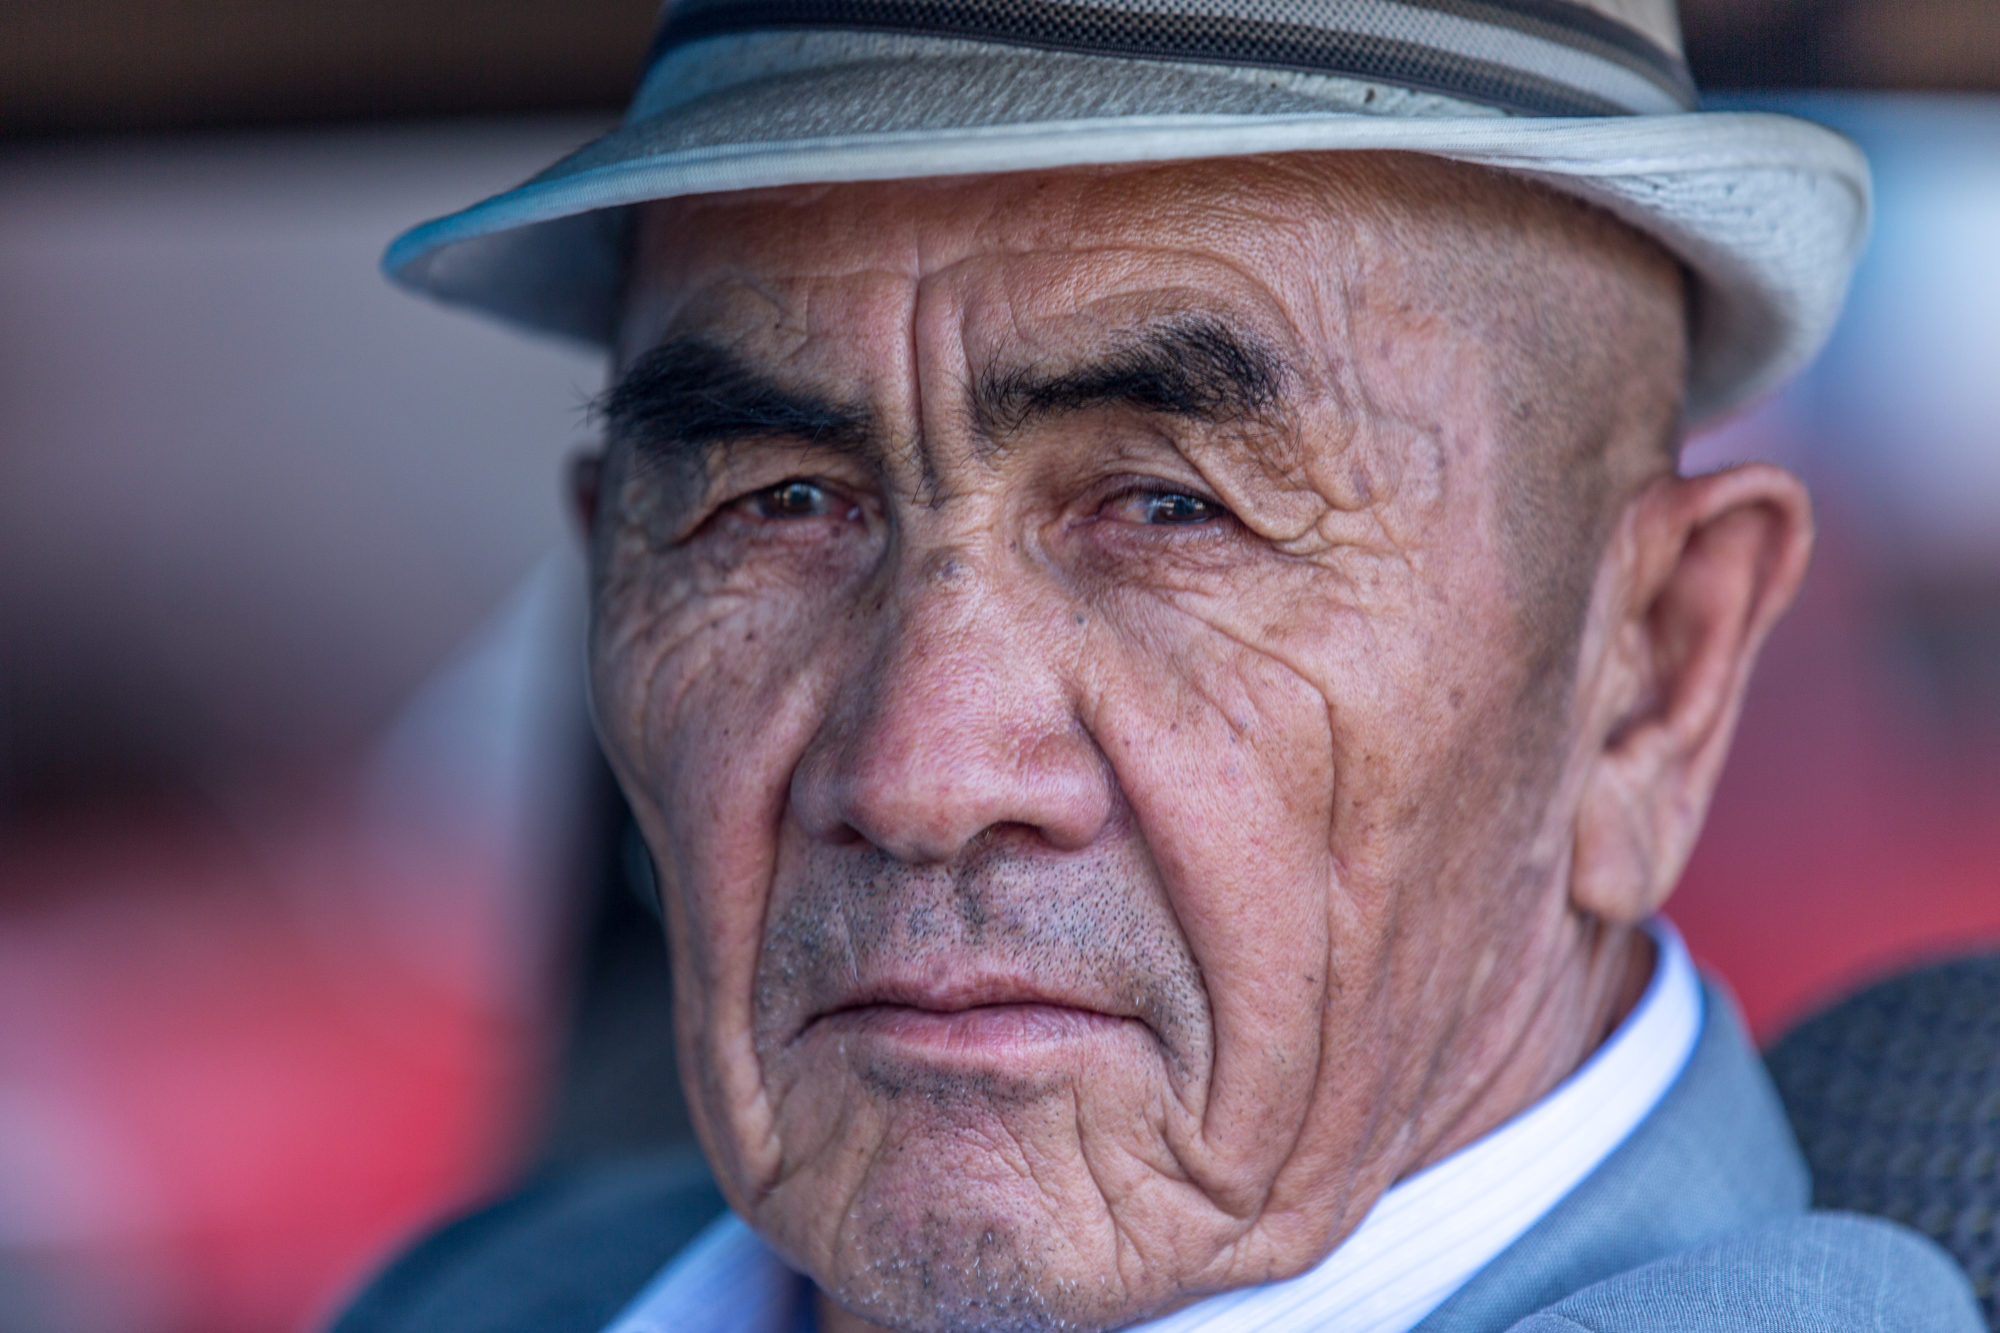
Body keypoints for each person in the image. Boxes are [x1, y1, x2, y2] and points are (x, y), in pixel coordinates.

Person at [337, 1, 1984, 1330]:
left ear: (1652, 674)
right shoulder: (493, 1293)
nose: (920, 773)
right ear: (610, 576)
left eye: (1169, 509)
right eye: (778, 505)